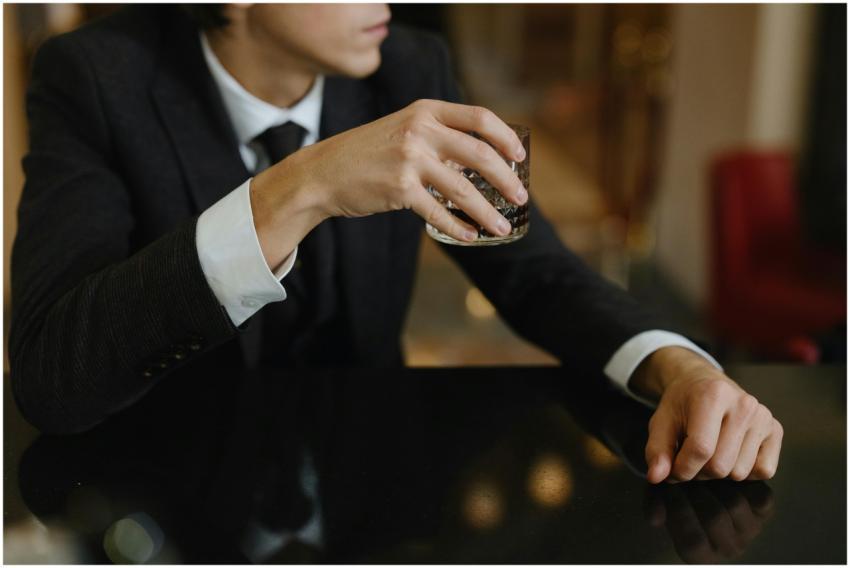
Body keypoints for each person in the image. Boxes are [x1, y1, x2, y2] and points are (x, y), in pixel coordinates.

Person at [10, 4, 782, 484]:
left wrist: (675, 366)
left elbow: (534, 273)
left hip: (365, 487)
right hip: (162, 492)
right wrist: (300, 186)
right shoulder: (95, 77)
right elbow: (50, 376)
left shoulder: (409, 63)